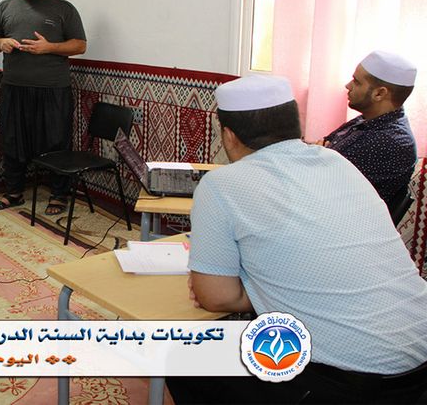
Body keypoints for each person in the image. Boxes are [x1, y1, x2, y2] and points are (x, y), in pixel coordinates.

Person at [169, 75, 427, 403]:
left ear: (229, 136)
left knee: (183, 356)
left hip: (344, 383)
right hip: (420, 368)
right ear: (295, 124)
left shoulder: (222, 185)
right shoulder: (338, 163)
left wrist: (255, 288)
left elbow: (216, 298)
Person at [0, 0, 87, 215]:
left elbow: (80, 45)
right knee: (13, 141)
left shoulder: (64, 8)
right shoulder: (5, 8)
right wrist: (1, 43)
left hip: (54, 89)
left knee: (56, 142)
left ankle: (59, 195)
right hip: (14, 88)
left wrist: (49, 47)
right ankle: (14, 193)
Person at [319, 50, 417, 208]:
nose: (348, 86)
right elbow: (324, 147)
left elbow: (319, 180)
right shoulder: (370, 120)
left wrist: (321, 154)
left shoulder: (388, 141)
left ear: (379, 93)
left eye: (356, 82)